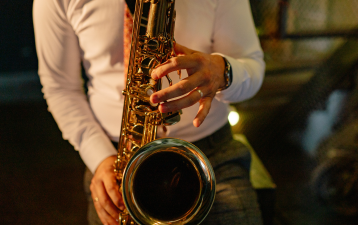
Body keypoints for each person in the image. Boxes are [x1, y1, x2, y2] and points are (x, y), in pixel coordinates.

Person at [33, 0, 265, 224]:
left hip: (210, 154)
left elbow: (253, 70)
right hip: (117, 159)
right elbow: (60, 88)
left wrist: (222, 72)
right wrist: (100, 158)